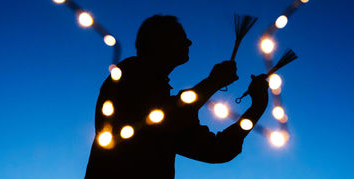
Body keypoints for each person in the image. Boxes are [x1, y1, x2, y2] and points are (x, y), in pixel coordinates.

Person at [85, 15, 269, 179]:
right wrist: (213, 82)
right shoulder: (128, 74)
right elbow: (162, 119)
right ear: (159, 42)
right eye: (181, 37)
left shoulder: (171, 108)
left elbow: (217, 150)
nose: (189, 42)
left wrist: (257, 107)